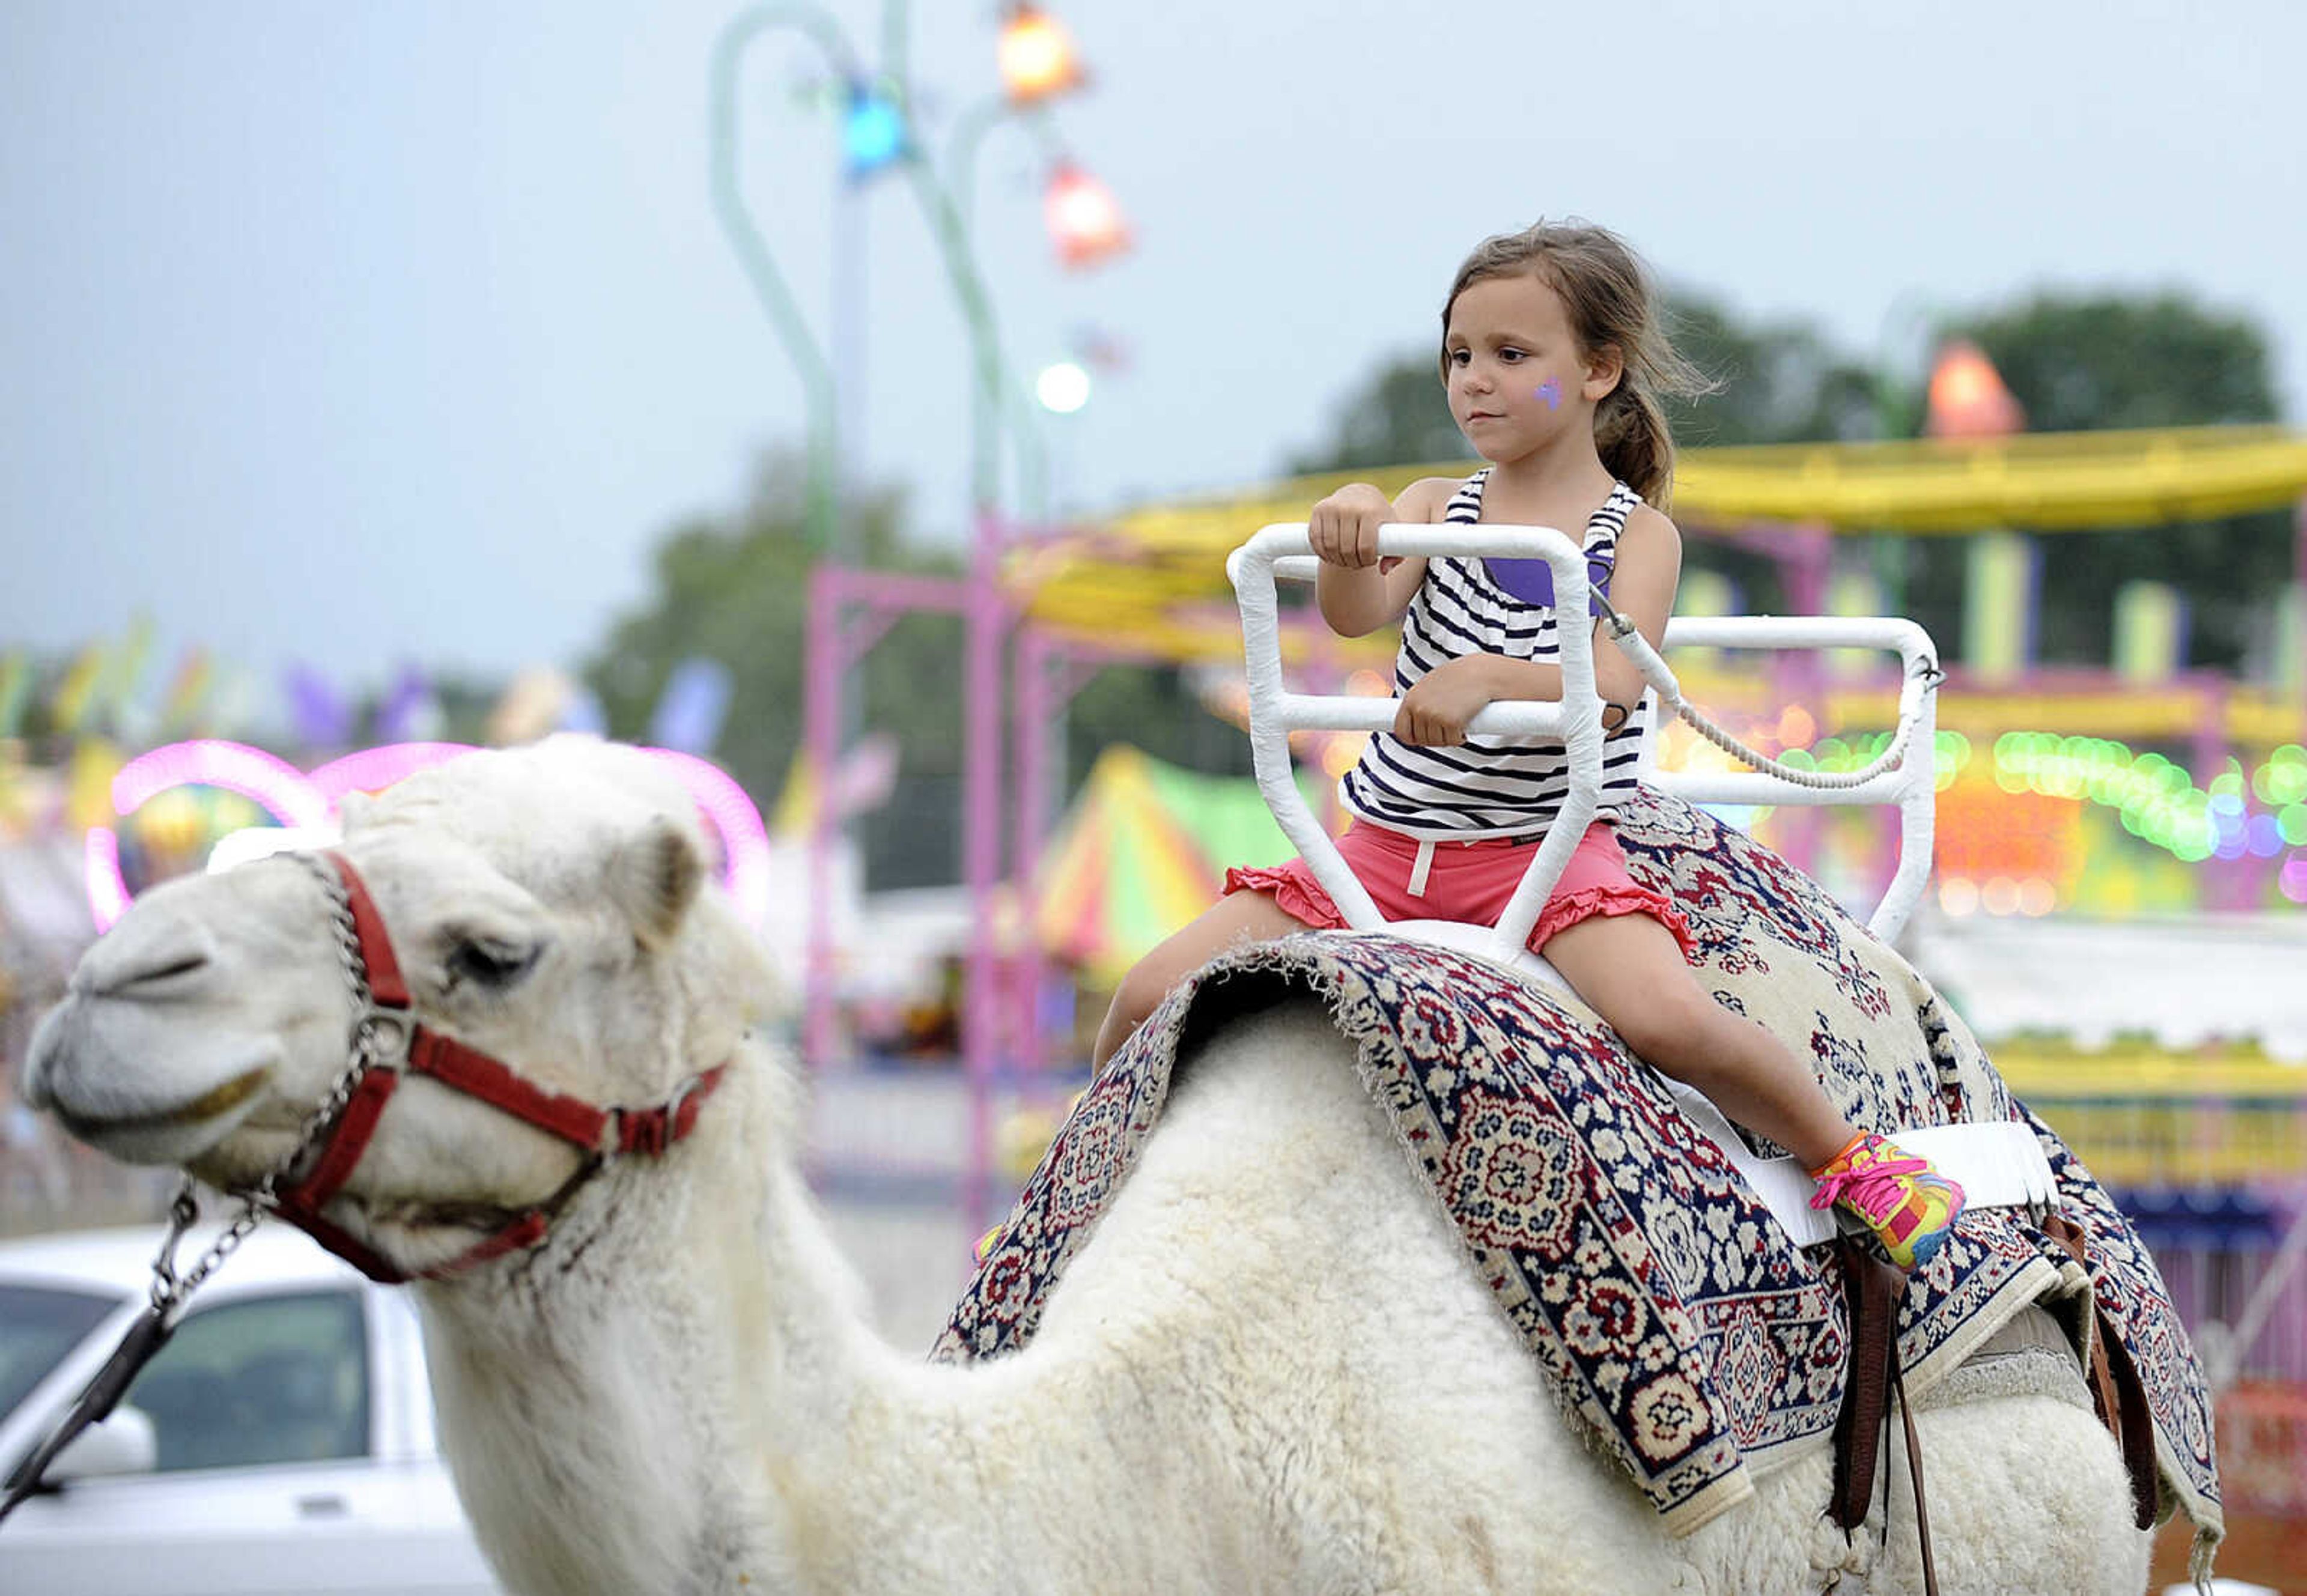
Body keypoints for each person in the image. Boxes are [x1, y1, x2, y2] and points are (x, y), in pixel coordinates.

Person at [1093, 220, 1963, 1271]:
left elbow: (1616, 685)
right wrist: (1351, 525)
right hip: (1379, 846)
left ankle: (1854, 1161)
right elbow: (1353, 615)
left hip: (1533, 854)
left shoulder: (1634, 534)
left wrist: (1492, 677)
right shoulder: (1433, 507)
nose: (1478, 382)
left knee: (1667, 1018)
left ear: (1599, 370)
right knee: (1148, 995)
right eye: (1461, 356)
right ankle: (1090, 1191)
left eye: (1513, 356)